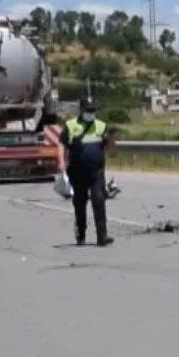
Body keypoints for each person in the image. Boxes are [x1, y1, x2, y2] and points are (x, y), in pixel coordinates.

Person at [57, 98, 115, 246]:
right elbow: (62, 144)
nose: (91, 113)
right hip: (77, 172)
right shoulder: (71, 125)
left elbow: (110, 147)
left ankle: (102, 237)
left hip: (96, 171)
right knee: (80, 204)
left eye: (93, 110)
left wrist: (110, 140)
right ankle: (81, 234)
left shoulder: (101, 126)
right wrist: (62, 162)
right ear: (81, 110)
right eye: (88, 110)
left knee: (99, 201)